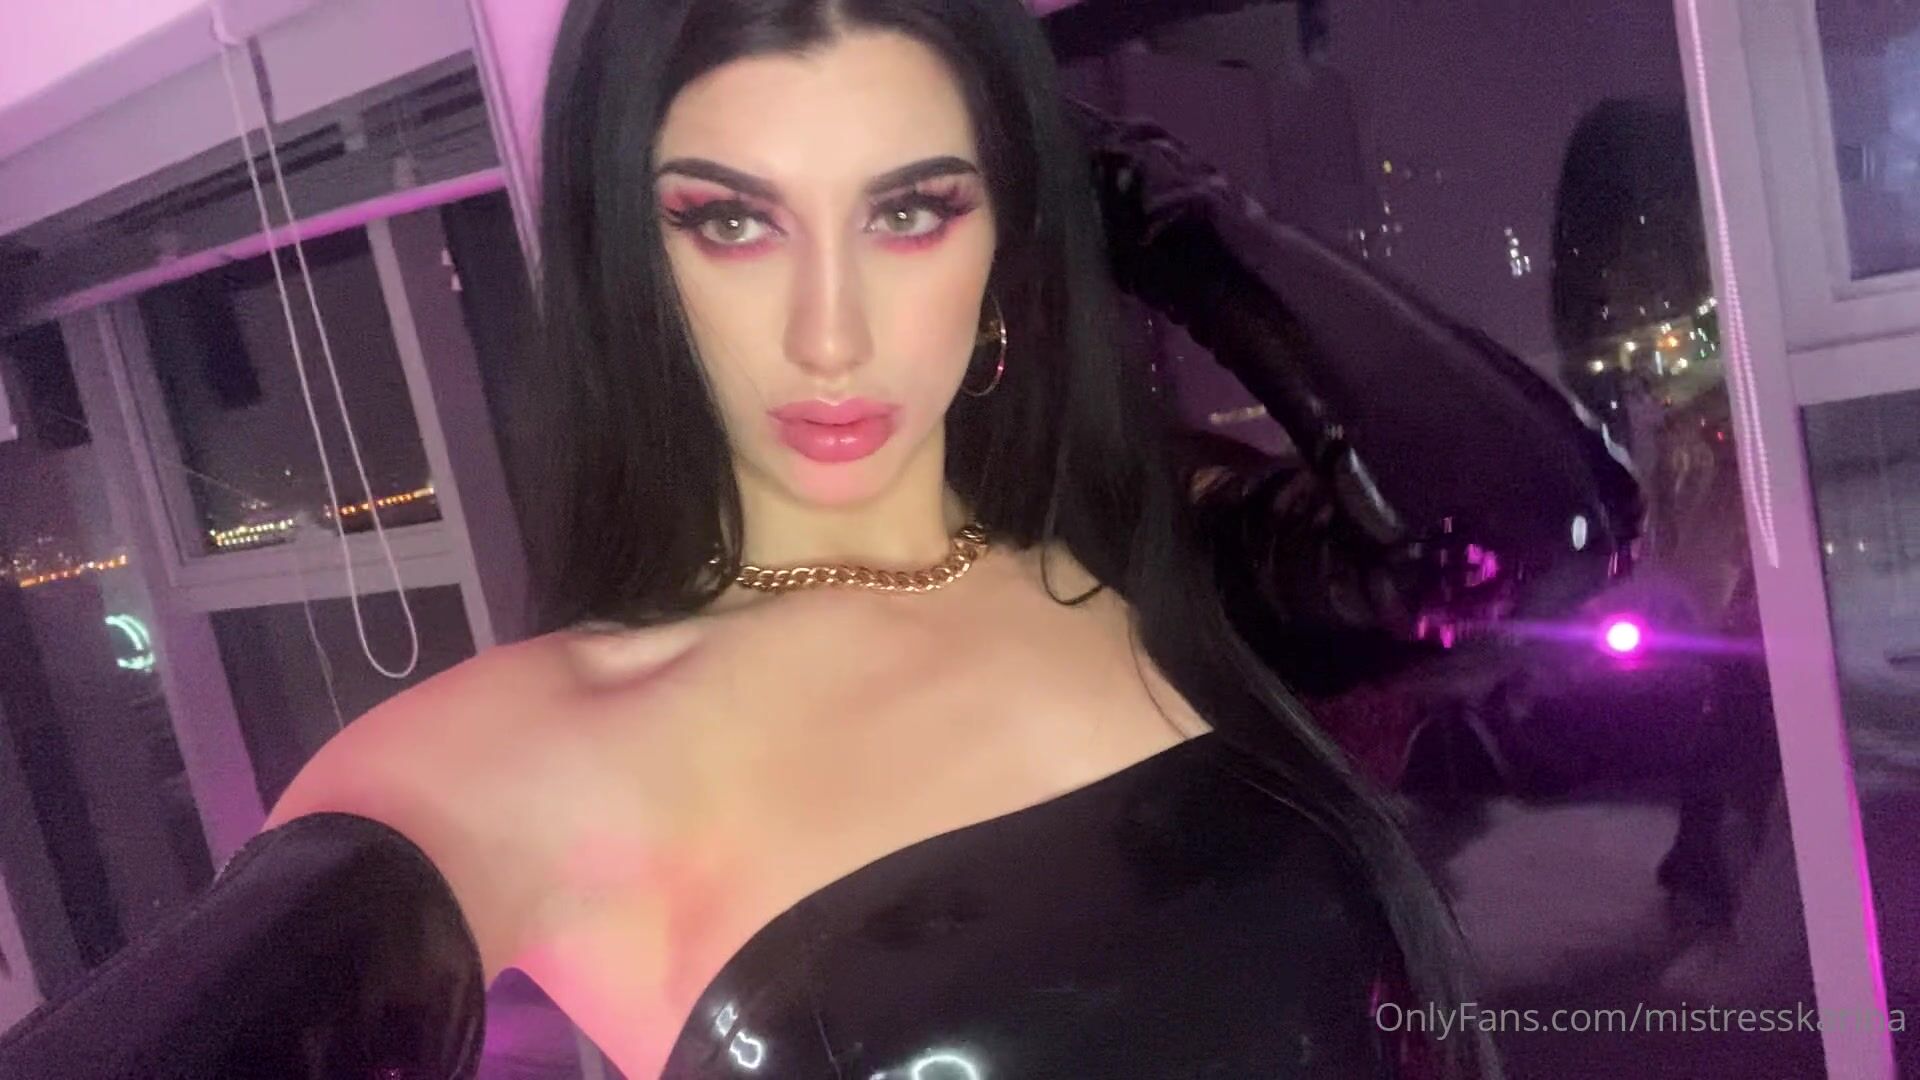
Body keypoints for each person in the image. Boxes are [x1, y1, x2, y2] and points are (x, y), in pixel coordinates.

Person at [0, 1, 1637, 1076]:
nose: (832, 334)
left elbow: (1532, 531)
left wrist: (1137, 191)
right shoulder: (538, 749)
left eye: (912, 208)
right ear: (633, 265)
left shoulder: (1152, 555)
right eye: (732, 220)